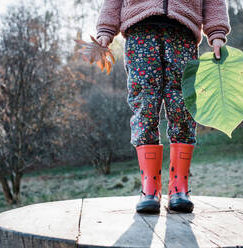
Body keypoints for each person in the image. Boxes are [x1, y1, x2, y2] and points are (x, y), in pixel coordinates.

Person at [96, 0, 231, 214]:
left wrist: (216, 32)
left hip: (183, 33)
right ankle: (150, 188)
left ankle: (180, 187)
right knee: (145, 105)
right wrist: (106, 28)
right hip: (140, 31)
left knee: (183, 106)